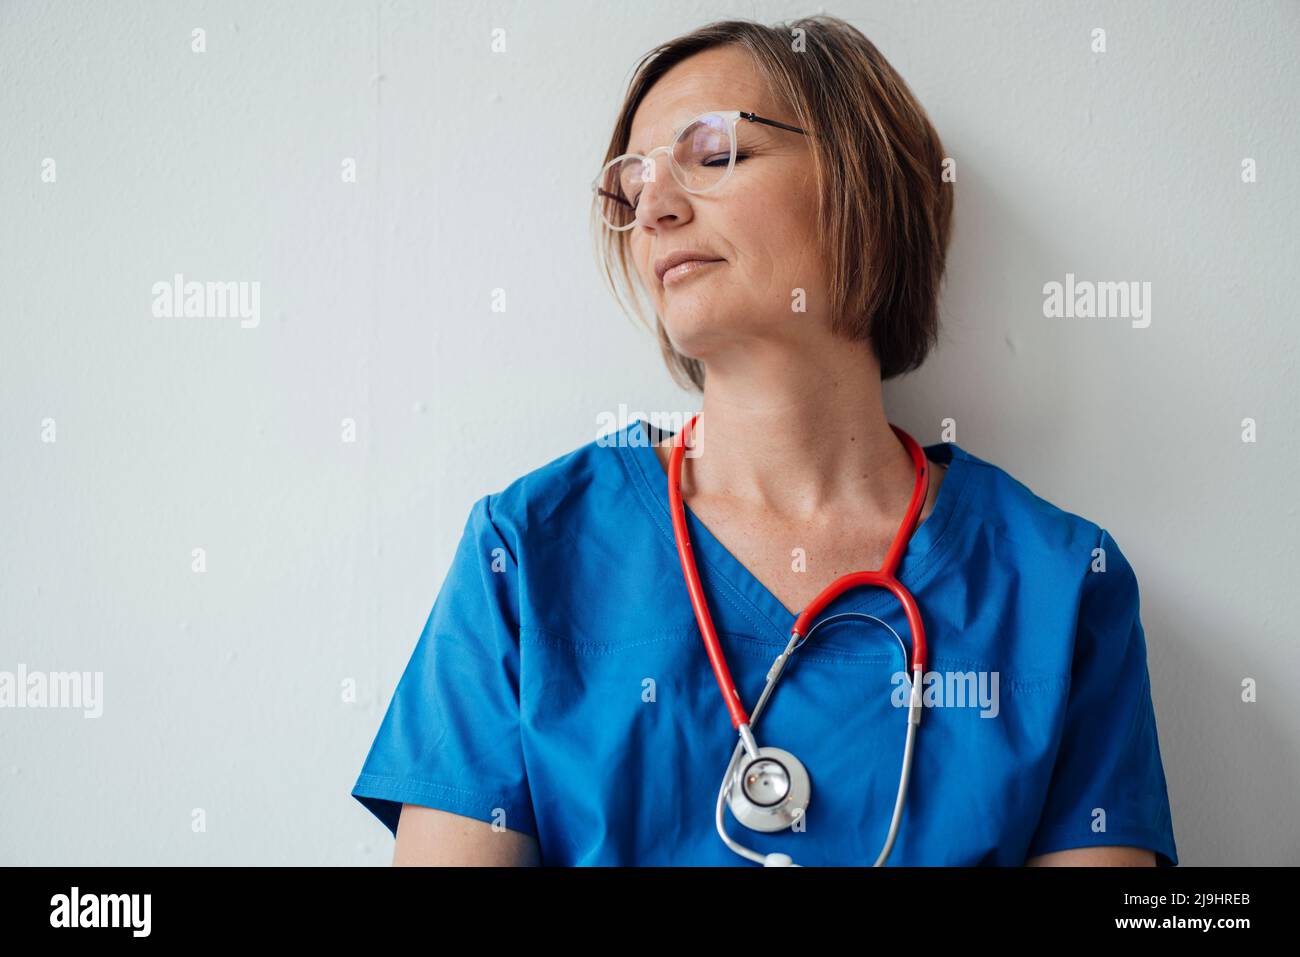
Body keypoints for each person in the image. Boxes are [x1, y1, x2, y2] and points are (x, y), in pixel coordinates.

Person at [351, 14, 1177, 867]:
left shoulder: (1058, 582)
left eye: (713, 155)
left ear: (862, 178)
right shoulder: (525, 552)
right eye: (631, 191)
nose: (657, 210)